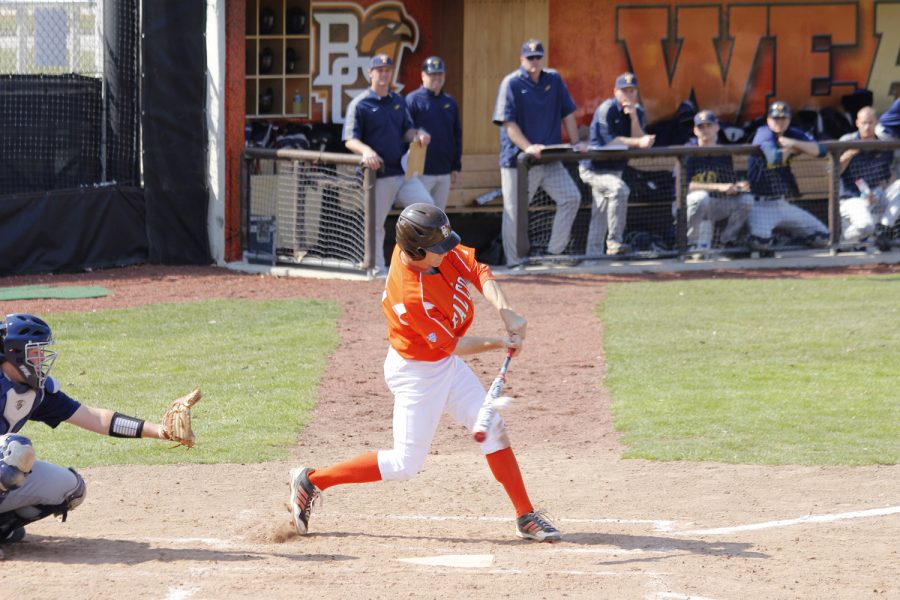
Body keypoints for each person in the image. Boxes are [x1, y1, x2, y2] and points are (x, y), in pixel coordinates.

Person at [288, 203, 562, 542]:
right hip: (417, 372)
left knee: (491, 426)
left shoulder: (433, 250)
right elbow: (453, 346)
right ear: (416, 250)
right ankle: (312, 480)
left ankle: (526, 515)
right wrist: (501, 341)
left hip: (441, 364)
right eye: (437, 249)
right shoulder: (411, 295)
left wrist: (507, 312)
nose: (446, 253)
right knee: (405, 464)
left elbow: (478, 271)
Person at [0, 313, 188, 556]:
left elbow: (96, 418)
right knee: (15, 451)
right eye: (34, 351)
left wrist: (162, 432)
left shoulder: (38, 392)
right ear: (13, 352)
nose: (41, 358)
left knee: (70, 489)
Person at [492, 39, 584, 267]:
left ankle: (554, 252)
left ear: (543, 59)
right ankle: (514, 262)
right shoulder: (511, 82)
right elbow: (508, 124)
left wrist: (576, 142)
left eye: (538, 57)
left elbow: (568, 113)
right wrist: (528, 147)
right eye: (530, 57)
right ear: (522, 59)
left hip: (550, 159)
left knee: (571, 197)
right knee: (514, 212)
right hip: (519, 162)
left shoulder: (553, 78)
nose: (534, 61)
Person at [344, 54, 434, 273]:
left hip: (402, 171)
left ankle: (421, 264)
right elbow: (350, 139)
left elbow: (406, 132)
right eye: (380, 70)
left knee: (428, 211)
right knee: (376, 224)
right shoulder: (360, 104)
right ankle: (376, 267)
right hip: (378, 175)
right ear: (370, 73)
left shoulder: (398, 101)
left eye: (387, 70)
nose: (384, 74)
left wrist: (419, 134)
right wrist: (367, 151)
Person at [579, 72, 656, 256]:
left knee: (600, 215)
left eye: (632, 91)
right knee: (620, 190)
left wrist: (634, 118)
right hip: (594, 169)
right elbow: (611, 142)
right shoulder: (606, 109)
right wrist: (639, 142)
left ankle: (593, 259)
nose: (628, 95)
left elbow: (639, 138)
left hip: (616, 169)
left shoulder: (637, 110)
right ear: (615, 92)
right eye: (624, 91)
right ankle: (614, 242)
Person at [746, 101, 830, 252]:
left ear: (789, 120)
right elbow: (774, 158)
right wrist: (791, 150)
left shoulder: (792, 133)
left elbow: (821, 150)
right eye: (775, 118)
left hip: (782, 203)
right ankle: (752, 239)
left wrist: (793, 143)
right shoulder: (763, 132)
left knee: (823, 237)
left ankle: (787, 238)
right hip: (759, 203)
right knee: (760, 244)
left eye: (783, 118)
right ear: (768, 120)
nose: (779, 122)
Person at [676, 110, 753, 250]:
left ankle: (726, 240)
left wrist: (736, 187)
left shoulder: (723, 153)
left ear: (717, 127)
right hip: (686, 206)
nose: (705, 130)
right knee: (701, 197)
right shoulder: (687, 152)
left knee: (746, 201)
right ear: (695, 130)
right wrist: (718, 187)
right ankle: (689, 243)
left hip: (714, 205)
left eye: (709, 126)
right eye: (701, 127)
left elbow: (725, 184)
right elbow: (683, 186)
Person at [838, 106, 900, 251]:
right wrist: (850, 153)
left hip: (875, 196)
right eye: (864, 123)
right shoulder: (847, 140)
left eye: (870, 123)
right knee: (865, 226)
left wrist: (878, 191)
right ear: (857, 123)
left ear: (877, 122)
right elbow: (833, 172)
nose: (867, 127)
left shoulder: (884, 143)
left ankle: (884, 228)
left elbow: (887, 177)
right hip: (852, 198)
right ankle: (841, 240)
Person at [405, 56, 462, 210]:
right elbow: (405, 131)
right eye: (432, 74)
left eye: (439, 74)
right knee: (420, 215)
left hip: (444, 171)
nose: (436, 78)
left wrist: (456, 166)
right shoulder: (412, 100)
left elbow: (456, 135)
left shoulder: (450, 102)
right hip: (421, 171)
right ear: (423, 75)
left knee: (439, 217)